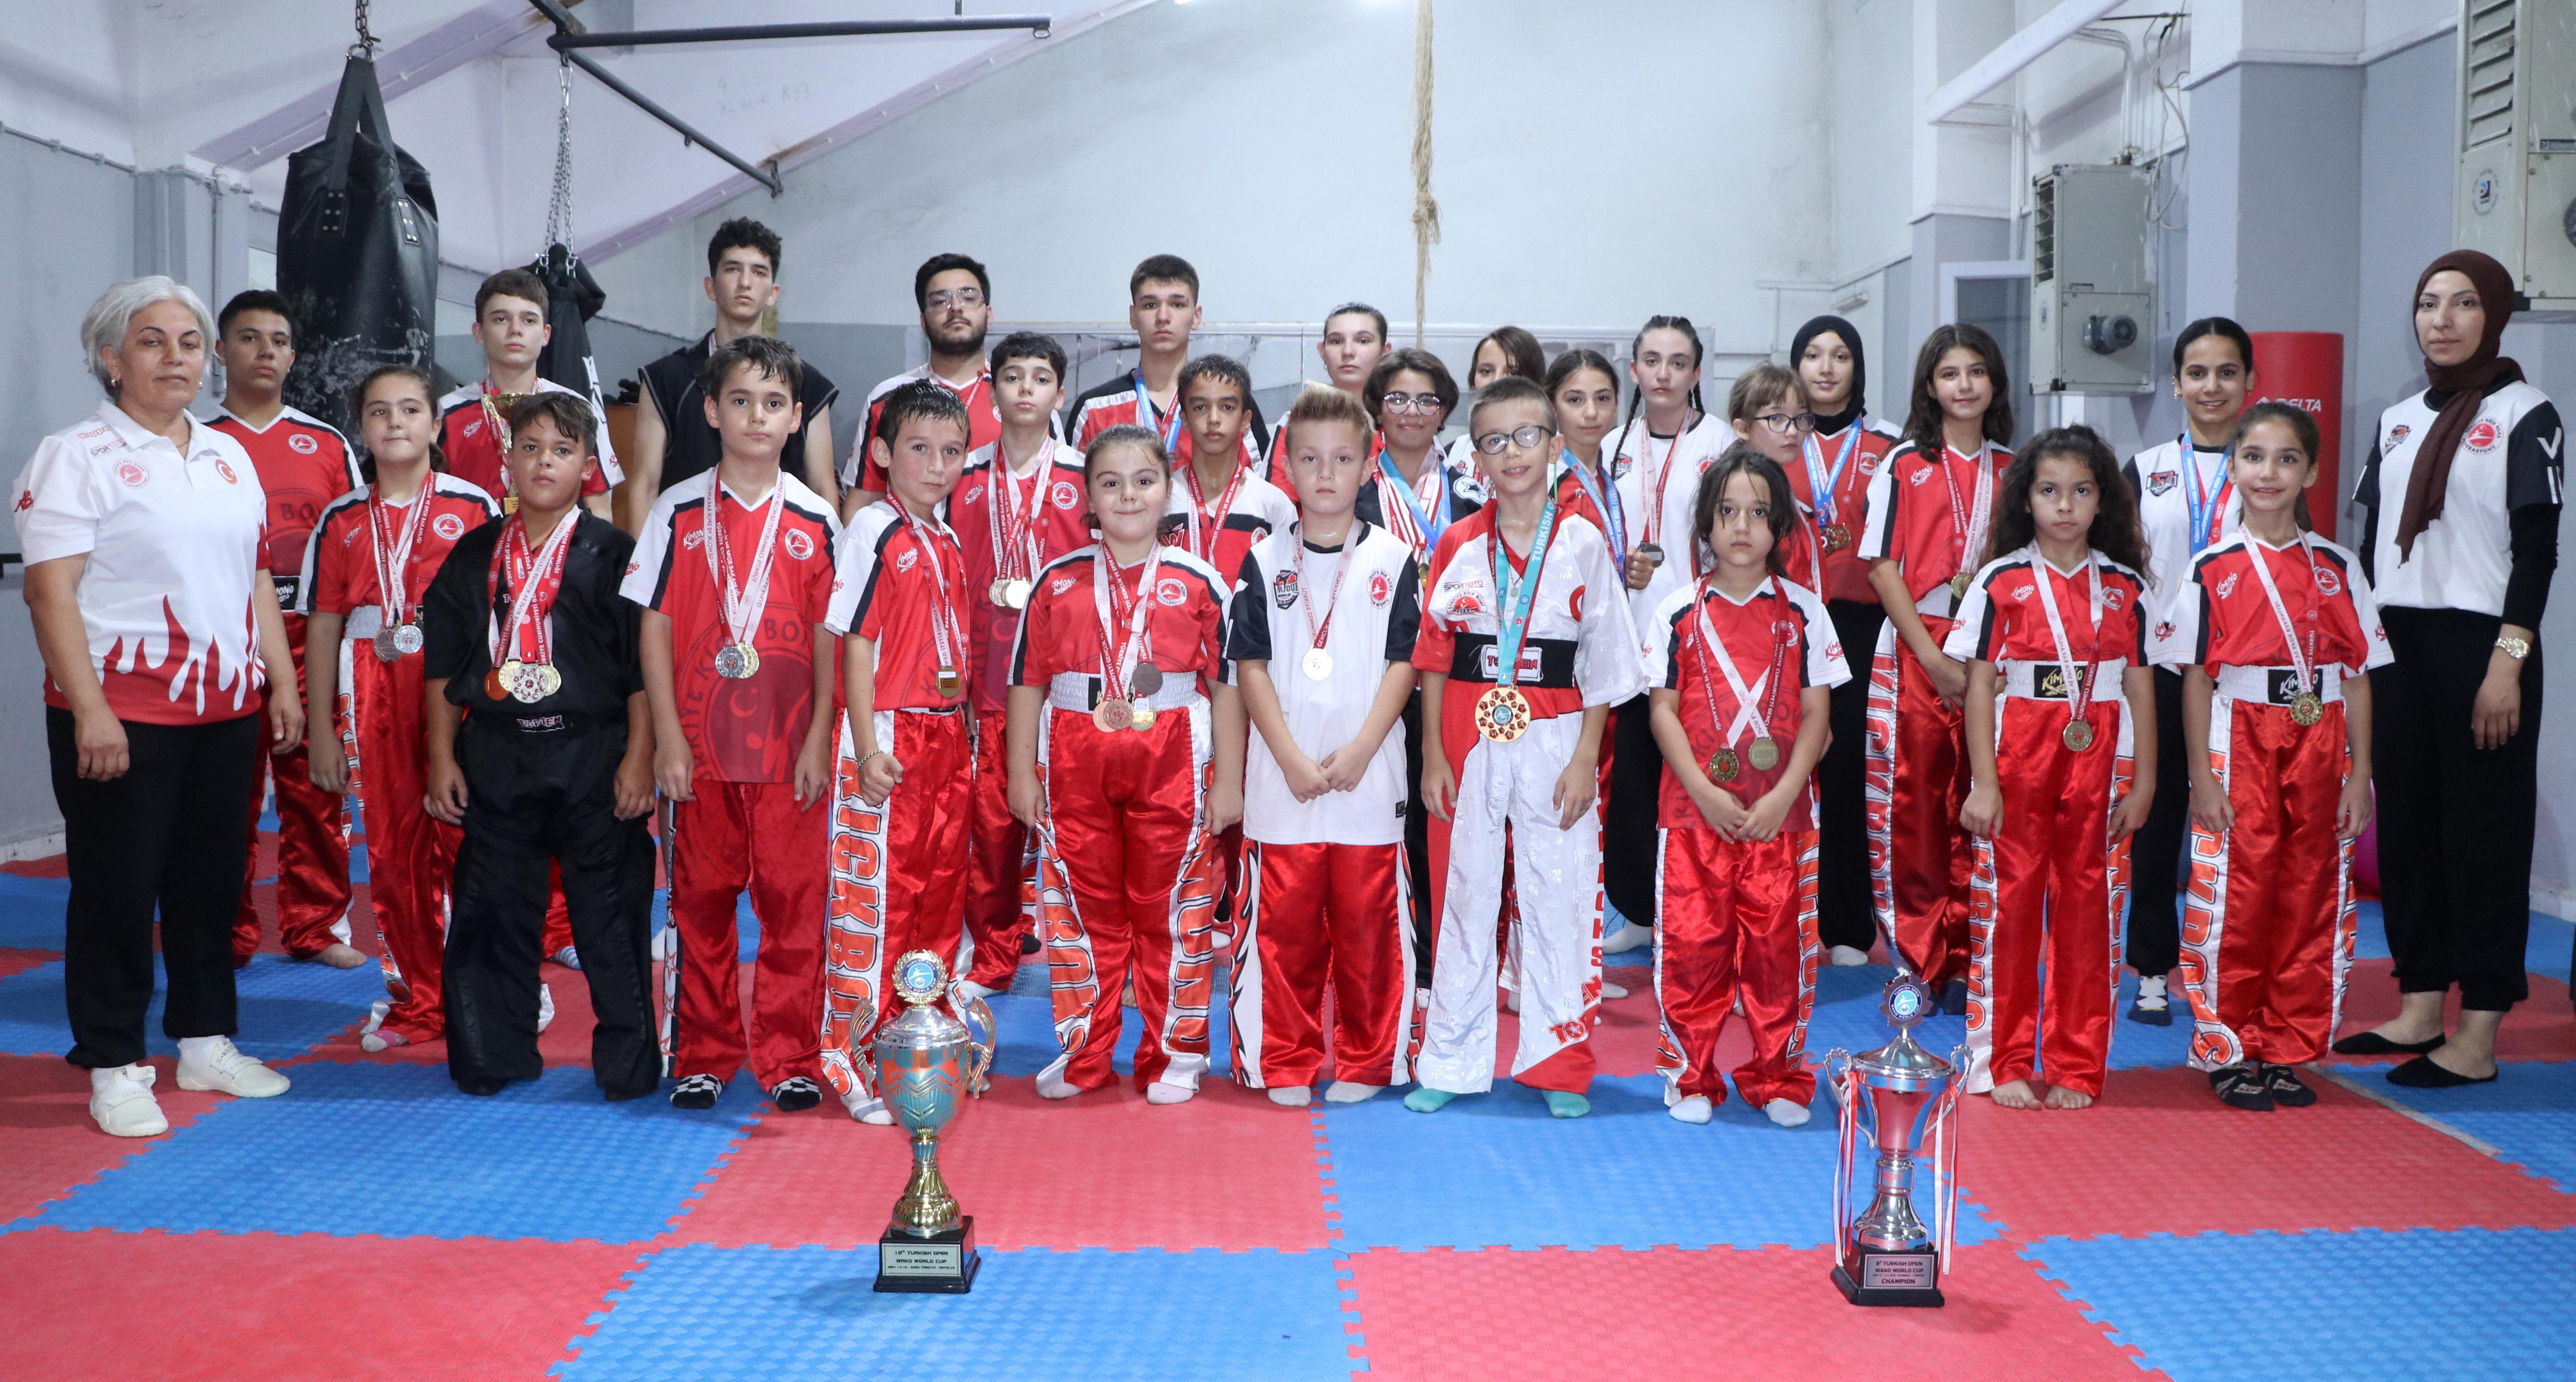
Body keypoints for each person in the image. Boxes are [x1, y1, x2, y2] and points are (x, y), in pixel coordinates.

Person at [19, 276, 305, 1137]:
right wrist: (90, 709)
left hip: (225, 712)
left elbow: (256, 577)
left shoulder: (227, 456)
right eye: (152, 341)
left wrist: (280, 681)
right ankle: (113, 1062)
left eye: (188, 342)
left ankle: (205, 1041)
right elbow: (48, 592)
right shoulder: (74, 455)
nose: (175, 358)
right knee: (116, 891)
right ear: (112, 360)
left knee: (211, 886)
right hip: (122, 713)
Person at [2342, 249, 2564, 1088]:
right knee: (2408, 835)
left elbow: (2536, 553)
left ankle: (2477, 1035)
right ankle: (2418, 1005)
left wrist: (2507, 662)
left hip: (2484, 649)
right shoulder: (2398, 419)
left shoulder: (2524, 413)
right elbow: (2371, 547)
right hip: (2396, 647)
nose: (2440, 319)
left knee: (2483, 841)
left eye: (2462, 303)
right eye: (2427, 302)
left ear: (2493, 314)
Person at [1406, 376, 1644, 1120]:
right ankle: (1451, 1058)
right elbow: (1433, 657)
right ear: (1475, 458)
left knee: (1559, 892)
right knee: (1464, 893)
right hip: (1467, 729)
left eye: (1525, 436)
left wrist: (1586, 759)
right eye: (1493, 441)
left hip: (1556, 727)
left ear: (1554, 447)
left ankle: (1558, 1064)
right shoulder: (1456, 542)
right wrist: (1433, 756)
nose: (1511, 452)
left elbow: (1605, 661)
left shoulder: (1582, 542)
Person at [422, 392, 658, 1100]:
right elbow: (442, 668)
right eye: (530, 448)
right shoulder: (473, 554)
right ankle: (492, 1057)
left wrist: (639, 760)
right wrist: (441, 759)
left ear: (587, 466)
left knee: (610, 917)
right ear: (508, 462)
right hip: (498, 753)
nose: (544, 462)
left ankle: (627, 1068)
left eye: (561, 450)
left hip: (593, 752)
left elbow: (642, 673)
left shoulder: (615, 554)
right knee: (491, 913)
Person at [627, 337, 842, 1113]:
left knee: (795, 910)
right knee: (700, 911)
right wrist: (667, 739)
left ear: (796, 419)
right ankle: (704, 1053)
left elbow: (831, 639)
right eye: (742, 401)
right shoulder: (676, 509)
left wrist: (818, 738)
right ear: (713, 412)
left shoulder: (818, 518)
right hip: (699, 753)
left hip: (790, 754)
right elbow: (653, 626)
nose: (758, 416)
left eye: (774, 403)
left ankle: (790, 1055)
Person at [2156, 403, 2388, 1111]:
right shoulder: (2211, 568)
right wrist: (2201, 776)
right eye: (2254, 457)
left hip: (2320, 737)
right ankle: (2227, 1046)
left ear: (2310, 473)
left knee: (2310, 896)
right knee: (2237, 894)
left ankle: (2288, 1046)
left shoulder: (2338, 567)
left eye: (2287, 459)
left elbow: (2357, 677)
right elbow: (2195, 679)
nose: (2269, 473)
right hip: (2241, 737)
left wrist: (2359, 773)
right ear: (2233, 468)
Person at [1010, 425, 1242, 1104]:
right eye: (1110, 484)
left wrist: (1229, 779)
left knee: (1171, 908)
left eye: (1144, 481)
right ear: (1087, 497)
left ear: (1168, 491)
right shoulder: (1055, 580)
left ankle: (1177, 1053)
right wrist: (1021, 771)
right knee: (1081, 910)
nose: (1129, 495)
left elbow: (1228, 684)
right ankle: (1084, 1052)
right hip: (1073, 751)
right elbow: (1025, 680)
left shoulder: (1199, 580)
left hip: (1172, 753)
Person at [1227, 383, 1423, 1107]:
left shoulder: (1395, 559)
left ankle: (1369, 1060)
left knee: (1371, 930)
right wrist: (1286, 757)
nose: (1325, 473)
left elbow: (1406, 662)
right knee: (1283, 932)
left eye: (1342, 459)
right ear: (1287, 467)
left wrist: (1364, 748)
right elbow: (1248, 666)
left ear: (1368, 466)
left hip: (1369, 776)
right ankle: (1283, 1059)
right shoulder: (1260, 559)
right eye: (1309, 459)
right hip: (1283, 778)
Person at [1949, 426, 2155, 1110]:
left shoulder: (2125, 587)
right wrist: (1984, 782)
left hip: (2101, 755)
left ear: (2103, 501)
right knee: (2009, 907)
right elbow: (1979, 686)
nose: (2065, 505)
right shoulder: (2000, 581)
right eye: (2049, 491)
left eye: (2081, 491)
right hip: (2019, 754)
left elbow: (2141, 688)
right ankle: (2002, 1059)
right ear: (2026, 499)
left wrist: (2146, 782)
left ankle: (2077, 1063)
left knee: (2089, 910)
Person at [300, 365, 500, 1052]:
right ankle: (418, 996)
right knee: (394, 847)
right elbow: (323, 623)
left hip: (459, 682)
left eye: (411, 409)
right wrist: (322, 727)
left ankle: (499, 986)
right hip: (372, 682)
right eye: (380, 411)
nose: (395, 423)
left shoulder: (474, 506)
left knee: (476, 838)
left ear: (436, 424)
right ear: (361, 428)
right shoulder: (341, 519)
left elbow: (505, 607)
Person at [1644, 445, 1846, 1128]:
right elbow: (1662, 710)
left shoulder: (1805, 612)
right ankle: (1690, 1075)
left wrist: (1785, 793)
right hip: (1693, 814)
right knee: (1693, 948)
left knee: (1778, 951)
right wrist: (1703, 791)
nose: (1741, 527)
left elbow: (1818, 716)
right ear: (1705, 522)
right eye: (1727, 511)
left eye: (1758, 514)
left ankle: (1778, 1075)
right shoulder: (1678, 610)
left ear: (1780, 526)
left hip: (1782, 817)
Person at [821, 382, 977, 1123]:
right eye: (920, 449)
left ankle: (920, 1040)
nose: (937, 466)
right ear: (882, 453)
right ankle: (848, 1054)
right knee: (874, 903)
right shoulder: (872, 529)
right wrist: (864, 746)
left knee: (937, 899)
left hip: (944, 734)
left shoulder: (946, 540)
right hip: (887, 731)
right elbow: (857, 641)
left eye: (952, 452)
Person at [1859, 324, 2016, 1013]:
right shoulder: (1903, 466)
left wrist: (1979, 663)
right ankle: (1920, 960)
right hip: (1915, 647)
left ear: (1995, 382)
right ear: (1930, 385)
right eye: (1950, 373)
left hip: (1997, 653)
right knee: (1914, 808)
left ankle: (1977, 957)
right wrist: (1929, 654)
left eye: (1976, 371)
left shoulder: (2017, 470)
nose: (1964, 385)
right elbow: (1882, 567)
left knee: (1985, 803)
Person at [208, 288, 363, 970]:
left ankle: (315, 926)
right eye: (249, 338)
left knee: (317, 787)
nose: (265, 351)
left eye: (278, 340)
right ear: (222, 351)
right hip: (224, 644)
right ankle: (225, 931)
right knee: (222, 798)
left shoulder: (326, 442)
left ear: (294, 356)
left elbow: (355, 542)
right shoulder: (193, 442)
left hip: (310, 640)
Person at [2122, 317, 2255, 1025]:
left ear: (2249, 382)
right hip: (2161, 669)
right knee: (2154, 821)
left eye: (2226, 372)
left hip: (2239, 675)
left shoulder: (2266, 464)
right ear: (2175, 384)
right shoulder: (2145, 469)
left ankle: (2230, 964)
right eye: (2197, 373)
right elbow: (2117, 571)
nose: (2211, 386)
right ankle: (2151, 968)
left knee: (2235, 821)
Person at [953, 332, 1093, 1001]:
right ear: (992, 392)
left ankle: (1088, 960)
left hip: (1067, 685)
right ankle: (993, 957)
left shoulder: (1086, 476)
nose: (1027, 388)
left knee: (1080, 835)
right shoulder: (962, 476)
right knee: (993, 832)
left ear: (1060, 394)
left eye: (1041, 378)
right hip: (988, 682)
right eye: (1013, 376)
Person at [1785, 315, 1905, 968]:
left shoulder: (1890, 446)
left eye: (1840, 356)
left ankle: (1848, 927)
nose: (1826, 368)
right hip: (1788, 624)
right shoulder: (1778, 439)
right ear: (1796, 366)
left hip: (1862, 627)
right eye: (1813, 355)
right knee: (1783, 765)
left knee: (1848, 772)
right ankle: (1778, 915)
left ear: (1858, 367)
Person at [628, 219, 841, 526]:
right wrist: (645, 557)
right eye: (732, 269)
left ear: (773, 293)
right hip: (687, 546)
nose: (745, 282)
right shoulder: (665, 379)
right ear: (711, 287)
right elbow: (645, 486)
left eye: (759, 272)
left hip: (780, 548)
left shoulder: (809, 384)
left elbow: (822, 489)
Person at [437, 268, 622, 522]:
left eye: (529, 320)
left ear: (546, 334)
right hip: (470, 544)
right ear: (479, 332)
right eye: (501, 319)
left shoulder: (576, 409)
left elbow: (599, 508)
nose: (515, 330)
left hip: (555, 546)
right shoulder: (446, 413)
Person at [1066, 255, 1269, 467]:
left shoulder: (1231, 404)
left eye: (1177, 304)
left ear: (1197, 316)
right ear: (1133, 316)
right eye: (1150, 305)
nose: (1163, 316)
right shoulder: (1094, 409)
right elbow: (1071, 485)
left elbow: (1260, 486)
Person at [845, 252, 1004, 512]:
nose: (956, 307)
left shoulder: (1021, 396)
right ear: (923, 321)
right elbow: (864, 500)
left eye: (968, 298)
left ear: (989, 314)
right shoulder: (888, 397)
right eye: (941, 301)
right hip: (910, 539)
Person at [1166, 354, 1298, 586]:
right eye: (1200, 407)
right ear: (1184, 419)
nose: (1214, 419)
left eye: (1227, 407)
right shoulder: (1163, 500)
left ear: (1246, 420)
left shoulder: (1273, 505)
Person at [1262, 302, 1391, 494]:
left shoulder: (1400, 421)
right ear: (1323, 352)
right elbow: (1279, 503)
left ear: (1385, 351)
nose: (1348, 352)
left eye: (1363, 341)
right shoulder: (1297, 421)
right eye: (1337, 341)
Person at [1442, 327, 1542, 485]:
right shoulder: (1453, 454)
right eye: (1487, 371)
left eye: (1512, 373)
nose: (1496, 382)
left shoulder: (1552, 456)